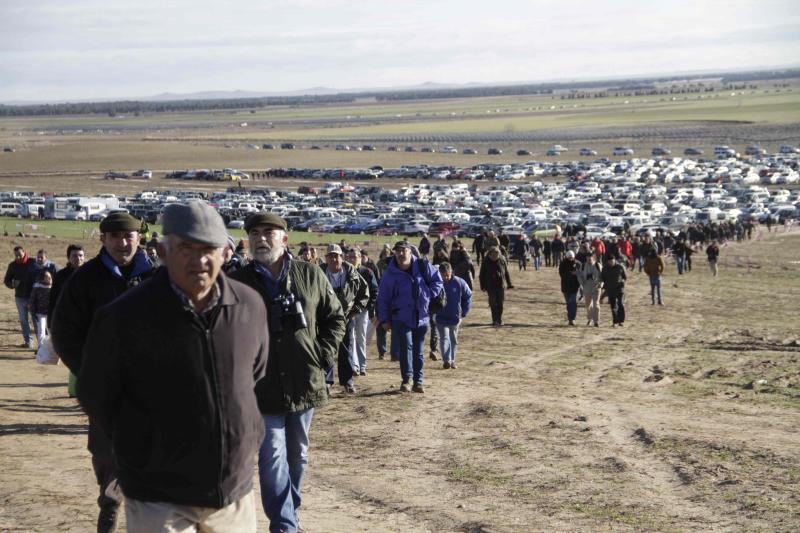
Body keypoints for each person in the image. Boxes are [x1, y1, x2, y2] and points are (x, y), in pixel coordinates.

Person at [77, 202, 268, 533]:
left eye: (208, 249)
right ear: (163, 252)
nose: (199, 260)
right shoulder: (125, 317)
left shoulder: (248, 306)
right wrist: (142, 448)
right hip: (158, 494)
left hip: (231, 489)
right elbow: (96, 394)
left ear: (225, 252)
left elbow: (254, 373)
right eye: (186, 249)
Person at [230, 213, 345, 533]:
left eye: (268, 232)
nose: (260, 238)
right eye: (254, 233)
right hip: (260, 387)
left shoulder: (310, 275)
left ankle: (289, 513)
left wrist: (322, 355)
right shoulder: (238, 281)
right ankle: (284, 526)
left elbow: (335, 318)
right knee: (272, 456)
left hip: (304, 379)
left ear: (285, 239)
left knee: (298, 455)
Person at [52, 212, 155, 532]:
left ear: (139, 238)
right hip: (105, 390)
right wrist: (90, 372)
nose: (124, 243)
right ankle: (109, 513)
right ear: (103, 239)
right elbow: (64, 333)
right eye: (116, 237)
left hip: (151, 389)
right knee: (107, 457)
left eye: (130, 236)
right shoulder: (85, 280)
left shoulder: (156, 277)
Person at [377, 241, 444, 393]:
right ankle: (406, 380)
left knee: (418, 351)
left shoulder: (422, 266)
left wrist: (429, 293)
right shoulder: (390, 274)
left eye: (404, 251)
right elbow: (383, 299)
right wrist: (385, 320)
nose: (401, 254)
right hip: (400, 317)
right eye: (398, 251)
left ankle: (418, 381)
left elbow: (437, 281)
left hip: (421, 317)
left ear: (410, 252)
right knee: (406, 348)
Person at [321, 244, 369, 394]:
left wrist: (356, 310)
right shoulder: (319, 273)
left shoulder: (352, 274)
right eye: (331, 256)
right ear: (326, 258)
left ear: (342, 257)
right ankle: (327, 382)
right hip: (325, 317)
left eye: (337, 256)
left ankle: (347, 381)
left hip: (346, 318)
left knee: (346, 349)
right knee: (326, 349)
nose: (334, 259)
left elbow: (365, 292)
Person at [48, 244, 85, 397]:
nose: (79, 258)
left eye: (81, 255)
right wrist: (51, 322)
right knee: (73, 357)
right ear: (68, 258)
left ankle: (81, 389)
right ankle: (74, 389)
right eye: (75, 256)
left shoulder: (91, 274)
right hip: (67, 323)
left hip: (87, 322)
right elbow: (53, 300)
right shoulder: (61, 276)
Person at [346, 246, 378, 376]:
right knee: (351, 338)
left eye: (355, 256)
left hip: (363, 310)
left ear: (360, 258)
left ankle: (362, 364)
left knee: (361, 337)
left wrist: (370, 307)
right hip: (349, 311)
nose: (352, 259)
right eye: (350, 257)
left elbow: (375, 290)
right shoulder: (345, 272)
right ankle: (354, 365)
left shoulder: (367, 272)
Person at [435, 262, 472, 369]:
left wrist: (464, 312)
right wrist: (432, 312)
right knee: (444, 338)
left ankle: (452, 360)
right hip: (440, 317)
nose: (445, 277)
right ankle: (446, 360)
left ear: (451, 272)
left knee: (453, 339)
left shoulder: (459, 283)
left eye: (447, 274)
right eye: (443, 275)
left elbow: (468, 296)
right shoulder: (436, 283)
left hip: (455, 317)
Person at [4, 245, 38, 348]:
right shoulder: (12, 265)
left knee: (36, 320)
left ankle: (42, 342)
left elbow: (41, 275)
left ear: (24, 252)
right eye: (16, 255)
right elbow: (6, 280)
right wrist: (12, 285)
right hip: (19, 297)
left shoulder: (33, 263)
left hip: (33, 297)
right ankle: (28, 342)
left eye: (19, 255)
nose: (18, 257)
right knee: (23, 320)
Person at [478, 246, 513, 327]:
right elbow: (481, 275)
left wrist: (509, 283)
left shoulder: (502, 259)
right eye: (493, 258)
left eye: (497, 257)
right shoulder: (485, 261)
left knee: (500, 304)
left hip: (501, 285)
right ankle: (495, 320)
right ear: (490, 255)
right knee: (493, 303)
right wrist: (482, 286)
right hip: (490, 286)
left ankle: (499, 319)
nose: (495, 259)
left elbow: (506, 272)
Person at [28, 270, 52, 349]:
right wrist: (33, 312)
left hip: (50, 314)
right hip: (40, 314)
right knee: (41, 331)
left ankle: (52, 348)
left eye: (50, 277)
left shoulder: (54, 288)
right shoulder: (37, 288)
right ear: (42, 278)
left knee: (50, 331)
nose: (49, 278)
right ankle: (41, 348)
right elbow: (32, 301)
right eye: (47, 277)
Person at [601, 254, 627, 326]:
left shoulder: (620, 267)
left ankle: (621, 321)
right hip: (610, 289)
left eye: (612, 261)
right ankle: (615, 321)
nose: (611, 263)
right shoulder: (605, 268)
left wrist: (623, 282)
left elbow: (624, 277)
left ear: (614, 260)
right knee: (613, 306)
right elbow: (602, 278)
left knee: (621, 304)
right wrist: (604, 287)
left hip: (619, 289)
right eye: (609, 261)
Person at [577, 253, 601, 327]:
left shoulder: (598, 265)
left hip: (596, 287)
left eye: (590, 258)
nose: (588, 260)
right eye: (587, 258)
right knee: (588, 304)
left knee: (596, 304)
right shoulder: (583, 266)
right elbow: (579, 275)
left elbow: (603, 275)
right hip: (586, 287)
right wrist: (582, 283)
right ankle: (590, 319)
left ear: (593, 258)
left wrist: (600, 284)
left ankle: (596, 321)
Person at [559, 250, 581, 326]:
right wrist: (571, 274)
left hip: (575, 287)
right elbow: (561, 274)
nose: (570, 259)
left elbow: (581, 274)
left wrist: (576, 274)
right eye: (569, 257)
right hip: (565, 287)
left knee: (573, 303)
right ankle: (570, 318)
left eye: (572, 257)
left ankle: (572, 319)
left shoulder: (578, 263)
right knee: (568, 303)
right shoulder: (563, 264)